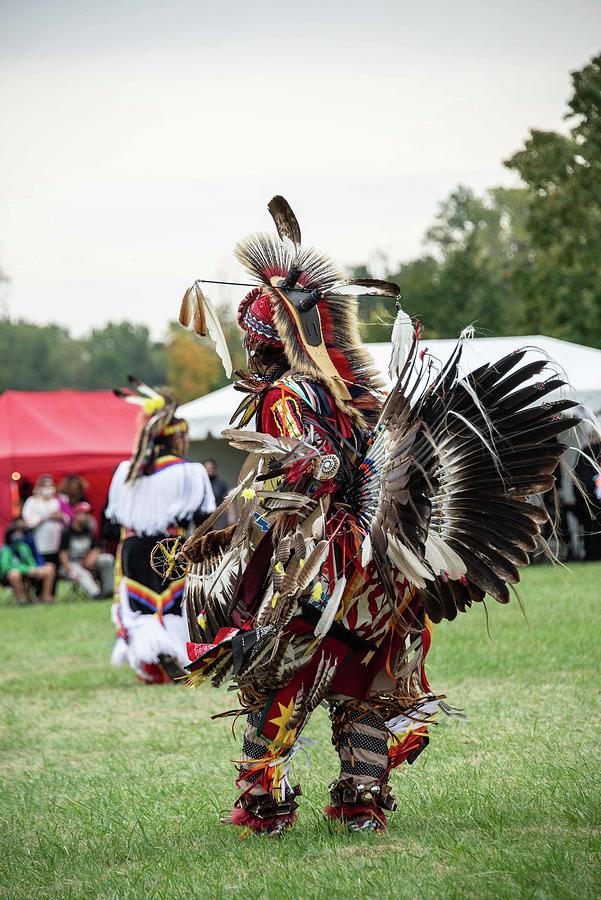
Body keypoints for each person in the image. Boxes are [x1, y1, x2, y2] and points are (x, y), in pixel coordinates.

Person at [177, 196, 579, 835]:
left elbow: (302, 466)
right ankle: (360, 797)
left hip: (320, 566)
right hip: (378, 572)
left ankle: (263, 801)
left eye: (255, 347)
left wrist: (299, 480)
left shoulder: (286, 395)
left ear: (272, 345)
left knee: (282, 673)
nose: (251, 360)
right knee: (368, 677)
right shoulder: (355, 394)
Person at [106, 379, 215, 684]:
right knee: (175, 605)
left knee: (141, 608)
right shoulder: (189, 471)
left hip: (132, 548)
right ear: (177, 437)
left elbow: (111, 521)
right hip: (170, 548)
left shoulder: (126, 472)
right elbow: (203, 519)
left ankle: (151, 664)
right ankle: (175, 657)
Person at [59, 502, 114, 598]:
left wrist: (92, 557)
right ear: (76, 515)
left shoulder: (88, 530)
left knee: (107, 559)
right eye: (84, 514)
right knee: (81, 572)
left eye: (88, 514)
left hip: (85, 561)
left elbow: (96, 548)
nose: (87, 517)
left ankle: (108, 590)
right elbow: (62, 555)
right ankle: (96, 594)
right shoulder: (67, 532)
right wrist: (71, 572)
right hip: (70, 565)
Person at [0, 519, 55, 604]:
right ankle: (21, 599)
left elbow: (30, 561)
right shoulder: (5, 550)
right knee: (14, 574)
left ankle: (45, 596)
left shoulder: (24, 547)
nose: (18, 535)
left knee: (49, 569)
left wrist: (34, 569)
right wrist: (26, 570)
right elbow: (6, 567)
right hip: (9, 576)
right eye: (16, 532)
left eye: (20, 532)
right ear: (10, 534)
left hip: (27, 572)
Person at [21, 475, 66, 572]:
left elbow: (67, 517)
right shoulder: (32, 501)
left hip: (56, 542)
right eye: (45, 485)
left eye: (50, 485)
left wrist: (60, 517)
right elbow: (28, 522)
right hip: (39, 542)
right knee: (42, 567)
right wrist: (46, 517)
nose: (48, 488)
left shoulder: (56, 501)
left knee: (54, 568)